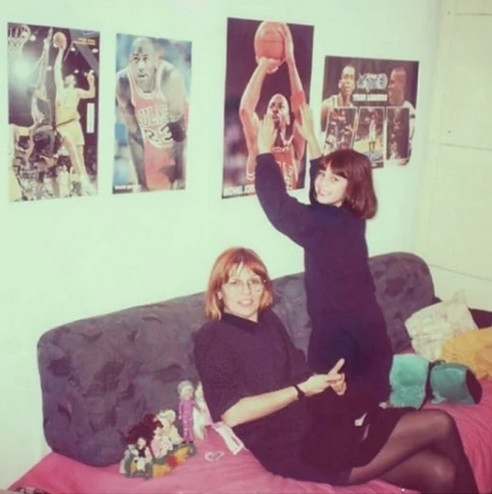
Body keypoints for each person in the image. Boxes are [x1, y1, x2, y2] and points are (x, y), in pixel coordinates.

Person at [194, 247, 478, 492]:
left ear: (263, 287)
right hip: (292, 448)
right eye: (235, 282)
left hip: (320, 425)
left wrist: (329, 384)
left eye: (254, 281)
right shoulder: (213, 337)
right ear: (219, 291)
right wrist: (300, 391)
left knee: (441, 472)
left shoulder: (269, 321)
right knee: (439, 422)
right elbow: (232, 413)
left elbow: (301, 375)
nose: (246, 291)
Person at [255, 105, 392, 405]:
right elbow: (320, 201)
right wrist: (313, 144)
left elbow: (278, 207)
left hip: (340, 335)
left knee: (334, 411)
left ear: (352, 188)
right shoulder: (350, 216)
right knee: (371, 405)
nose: (322, 183)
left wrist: (264, 153)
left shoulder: (327, 224)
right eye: (322, 174)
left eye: (334, 179)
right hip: (367, 328)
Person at [115, 37, 188, 191]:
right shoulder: (123, 82)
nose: (141, 66)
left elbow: (179, 132)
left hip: (183, 136)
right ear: (130, 61)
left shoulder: (169, 76)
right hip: (155, 143)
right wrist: (141, 183)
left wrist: (181, 177)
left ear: (155, 61)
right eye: (136, 59)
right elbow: (134, 134)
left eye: (146, 59)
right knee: (150, 188)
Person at [239, 23, 306, 191]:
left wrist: (291, 62)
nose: (275, 108)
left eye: (281, 106)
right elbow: (245, 111)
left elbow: (301, 112)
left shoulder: (293, 150)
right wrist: (263, 65)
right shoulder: (258, 143)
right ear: (265, 115)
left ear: (288, 118)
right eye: (271, 106)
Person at [54, 39, 96, 195]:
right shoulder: (60, 89)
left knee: (80, 159)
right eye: (67, 77)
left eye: (71, 77)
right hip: (62, 127)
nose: (68, 77)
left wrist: (91, 82)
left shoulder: (77, 92)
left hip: (74, 124)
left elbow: (91, 94)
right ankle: (84, 183)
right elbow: (56, 68)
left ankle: (86, 188)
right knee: (72, 150)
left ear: (73, 81)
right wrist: (60, 50)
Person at [387, 66, 416, 160]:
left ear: (402, 84)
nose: (389, 87)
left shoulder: (410, 112)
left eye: (392, 82)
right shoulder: (391, 111)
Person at [320, 64, 356, 131]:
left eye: (351, 78)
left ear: (354, 86)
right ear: (339, 83)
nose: (348, 81)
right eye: (346, 77)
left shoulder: (354, 113)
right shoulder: (327, 104)